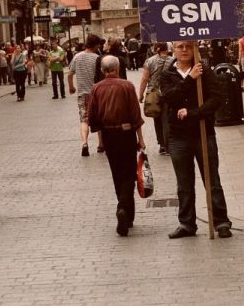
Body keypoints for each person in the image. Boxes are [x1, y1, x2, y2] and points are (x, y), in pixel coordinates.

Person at [160, 41, 232, 239]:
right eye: (180, 47)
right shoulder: (167, 74)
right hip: (178, 136)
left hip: (203, 133)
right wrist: (190, 79)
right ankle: (187, 223)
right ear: (173, 49)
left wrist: (194, 113)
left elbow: (216, 99)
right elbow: (171, 98)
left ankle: (221, 221)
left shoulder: (204, 71)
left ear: (194, 50)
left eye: (188, 47)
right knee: (184, 183)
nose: (184, 50)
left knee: (212, 180)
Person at [88, 55, 146, 237]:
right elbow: (135, 116)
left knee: (116, 173)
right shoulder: (127, 86)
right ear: (118, 68)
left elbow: (92, 117)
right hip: (126, 133)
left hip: (108, 134)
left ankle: (126, 213)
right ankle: (123, 208)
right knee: (129, 173)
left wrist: (101, 139)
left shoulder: (96, 88)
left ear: (102, 70)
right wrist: (141, 140)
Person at [68, 34, 103, 157]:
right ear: (95, 45)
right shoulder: (97, 58)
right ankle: (100, 144)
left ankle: (84, 143)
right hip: (95, 93)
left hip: (82, 93)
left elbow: (70, 73)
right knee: (98, 118)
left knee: (84, 119)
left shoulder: (77, 56)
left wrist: (71, 87)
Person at [139, 42, 171, 154]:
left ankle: (162, 144)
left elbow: (144, 79)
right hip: (168, 93)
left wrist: (140, 94)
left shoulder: (150, 61)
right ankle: (168, 145)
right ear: (166, 49)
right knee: (167, 118)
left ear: (156, 49)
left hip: (153, 93)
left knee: (157, 119)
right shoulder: (172, 61)